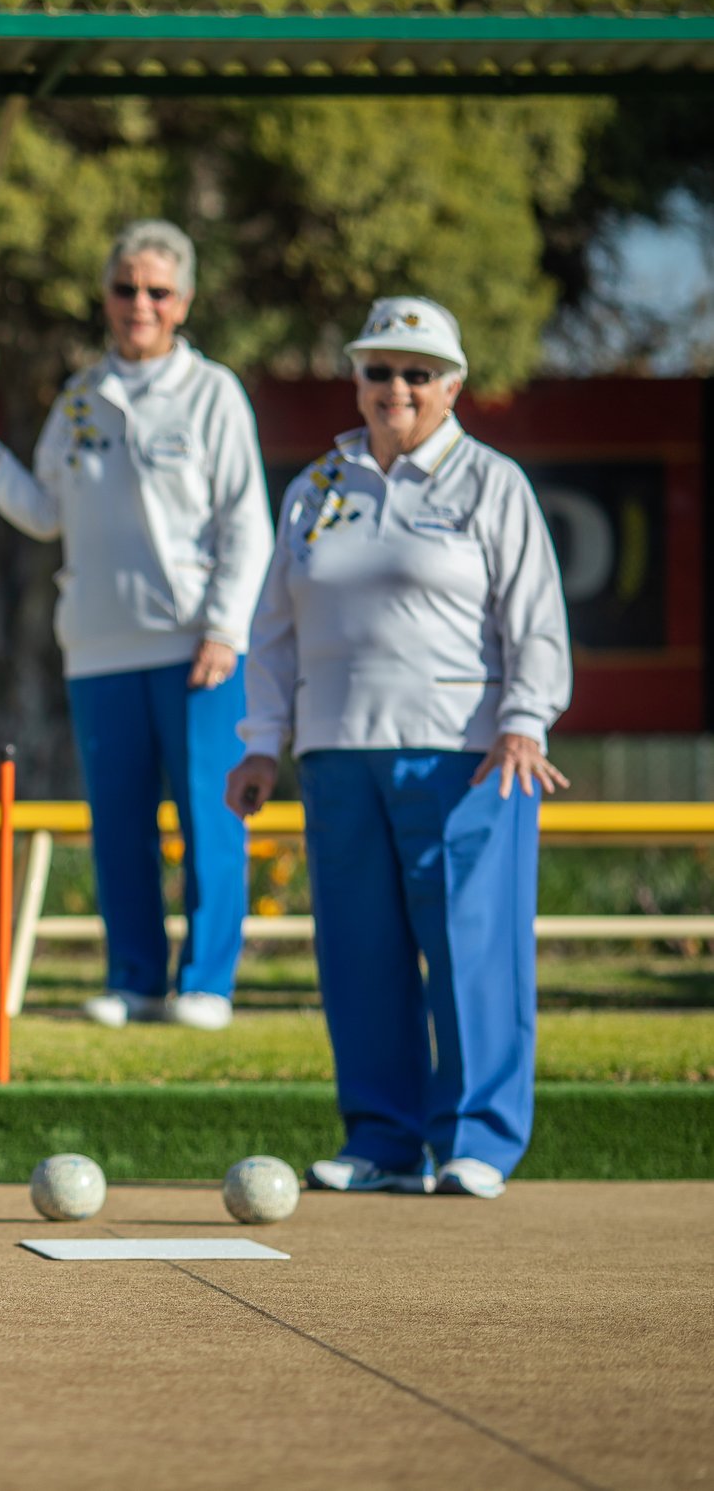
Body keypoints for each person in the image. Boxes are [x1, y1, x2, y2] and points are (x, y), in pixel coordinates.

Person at [228, 296, 570, 1200]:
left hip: (466, 756)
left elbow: (534, 616)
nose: (398, 388)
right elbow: (272, 633)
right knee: (358, 951)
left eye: (419, 372)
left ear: (452, 385)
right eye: (380, 370)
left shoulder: (492, 483)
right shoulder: (317, 488)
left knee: (472, 948)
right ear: (357, 378)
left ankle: (479, 1141)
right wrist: (265, 744)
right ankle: (382, 1137)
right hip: (338, 753)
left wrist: (525, 719)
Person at [0, 220, 270, 1031]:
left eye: (158, 291)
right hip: (97, 645)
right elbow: (45, 512)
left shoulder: (213, 392)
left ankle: (206, 982)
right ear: (106, 296)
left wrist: (226, 627)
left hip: (197, 646)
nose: (141, 305)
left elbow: (247, 524)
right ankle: (134, 978)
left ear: (185, 301)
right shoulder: (83, 394)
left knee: (208, 818)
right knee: (118, 822)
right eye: (126, 288)